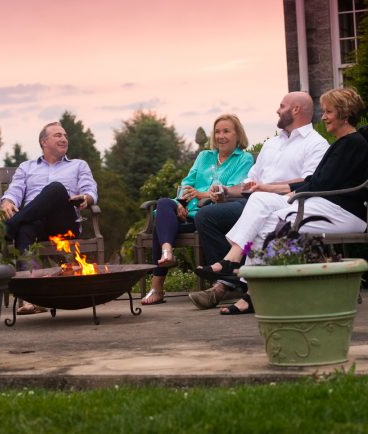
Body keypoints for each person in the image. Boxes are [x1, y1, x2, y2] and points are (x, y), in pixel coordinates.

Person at [201, 87, 368, 315]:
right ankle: (241, 271)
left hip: (343, 212)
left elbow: (322, 183)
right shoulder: (341, 143)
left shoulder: (353, 144)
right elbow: (318, 182)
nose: (324, 117)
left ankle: (246, 284)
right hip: (321, 204)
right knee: (262, 205)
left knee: (272, 223)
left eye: (329, 112)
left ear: (344, 114)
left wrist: (291, 193)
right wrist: (284, 191)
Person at [188, 91, 330, 310]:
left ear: (296, 110)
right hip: (254, 202)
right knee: (207, 215)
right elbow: (249, 183)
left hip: (288, 203)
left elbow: (310, 182)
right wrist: (225, 191)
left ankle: (227, 277)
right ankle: (231, 278)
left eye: (281, 106)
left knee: (246, 209)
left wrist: (268, 188)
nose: (277, 110)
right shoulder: (272, 144)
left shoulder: (316, 144)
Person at [141, 114, 254, 305]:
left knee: (162, 225)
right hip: (188, 213)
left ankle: (157, 286)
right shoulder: (204, 157)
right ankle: (167, 252)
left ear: (238, 135)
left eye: (226, 131)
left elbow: (231, 191)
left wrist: (201, 195)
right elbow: (188, 182)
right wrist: (180, 203)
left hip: (215, 213)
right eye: (217, 132)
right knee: (164, 204)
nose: (221, 136)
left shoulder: (244, 159)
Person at [0, 121, 98, 314]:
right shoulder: (26, 167)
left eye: (65, 136)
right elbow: (14, 191)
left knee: (55, 189)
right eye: (58, 135)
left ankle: (8, 228)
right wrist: (6, 202)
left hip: (64, 224)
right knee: (25, 228)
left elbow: (90, 190)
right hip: (35, 223)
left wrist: (85, 198)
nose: (64, 139)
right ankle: (32, 300)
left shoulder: (78, 165)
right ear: (44, 142)